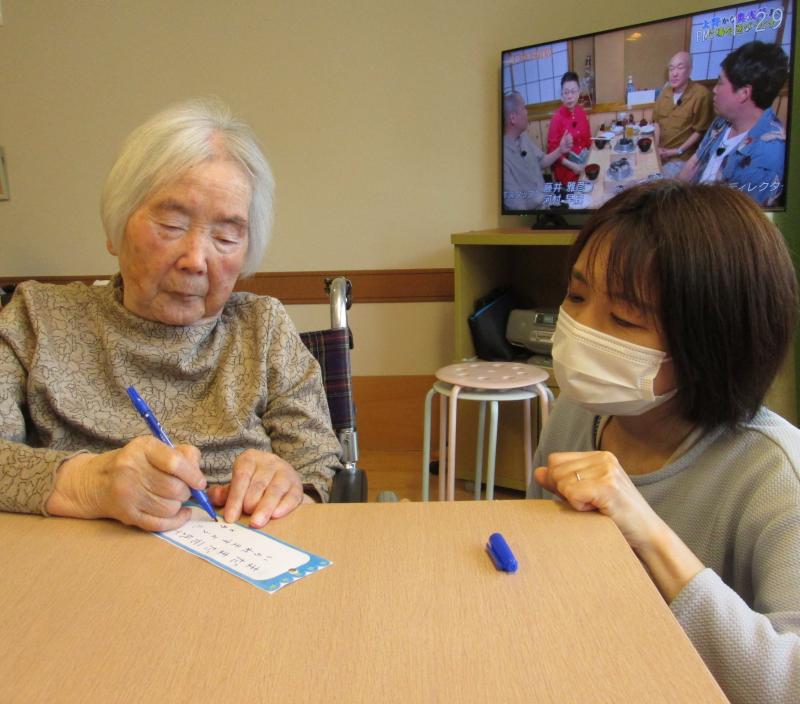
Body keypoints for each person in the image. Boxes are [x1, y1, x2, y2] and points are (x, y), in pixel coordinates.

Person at [0, 98, 343, 532]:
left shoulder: (263, 327)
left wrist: (290, 485)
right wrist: (89, 484)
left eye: (225, 235)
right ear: (115, 228)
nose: (196, 260)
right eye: (172, 225)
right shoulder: (37, 319)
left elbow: (320, 469)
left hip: (240, 567)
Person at [528, 180, 800, 704]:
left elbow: (787, 684)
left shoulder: (776, 476)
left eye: (625, 318)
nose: (582, 330)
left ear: (711, 343)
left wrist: (649, 534)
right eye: (577, 295)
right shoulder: (576, 413)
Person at [680, 41, 788, 206]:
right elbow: (695, 162)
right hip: (690, 203)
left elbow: (732, 226)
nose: (714, 90)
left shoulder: (768, 156)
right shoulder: (723, 120)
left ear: (744, 93)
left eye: (720, 83)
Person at [503, 91, 572, 210]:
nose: (527, 111)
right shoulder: (502, 158)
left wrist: (560, 150)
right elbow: (518, 208)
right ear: (513, 118)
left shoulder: (523, 136)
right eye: (524, 108)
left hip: (548, 198)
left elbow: (542, 161)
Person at [652, 51, 713, 178]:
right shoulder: (664, 92)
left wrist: (676, 151)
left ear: (690, 70)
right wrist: (656, 147)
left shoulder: (701, 94)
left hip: (681, 157)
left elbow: (699, 131)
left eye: (680, 68)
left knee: (658, 185)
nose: (674, 73)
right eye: (671, 69)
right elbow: (656, 123)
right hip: (660, 153)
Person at [547, 71, 592, 188]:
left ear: (578, 93)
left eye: (573, 91)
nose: (569, 96)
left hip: (584, 165)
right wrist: (574, 167)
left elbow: (588, 140)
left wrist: (588, 159)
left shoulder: (581, 112)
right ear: (561, 95)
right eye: (566, 92)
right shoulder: (556, 119)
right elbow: (552, 152)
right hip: (567, 172)